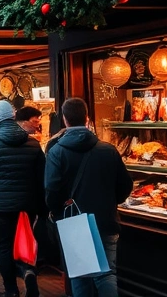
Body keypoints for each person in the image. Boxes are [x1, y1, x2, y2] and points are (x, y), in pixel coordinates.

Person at [45, 98, 133, 297]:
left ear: (65, 119)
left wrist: (59, 213)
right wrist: (109, 202)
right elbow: (125, 186)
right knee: (106, 273)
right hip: (105, 219)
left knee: (79, 274)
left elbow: (51, 191)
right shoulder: (108, 150)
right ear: (87, 118)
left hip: (73, 222)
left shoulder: (57, 151)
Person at [0, 100, 47, 297]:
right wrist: (42, 207)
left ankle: (11, 290)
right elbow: (42, 178)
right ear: (13, 117)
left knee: (4, 246)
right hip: (28, 204)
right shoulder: (33, 144)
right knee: (26, 240)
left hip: (0, 205)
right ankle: (28, 270)